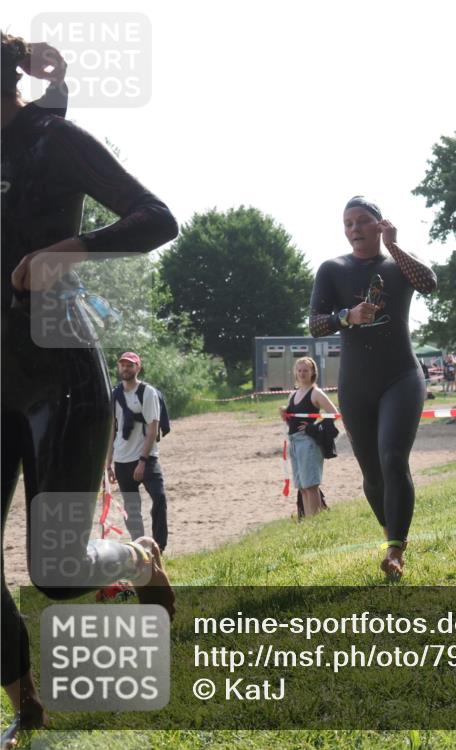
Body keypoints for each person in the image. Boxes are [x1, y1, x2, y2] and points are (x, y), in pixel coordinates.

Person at [2, 33, 177, 747]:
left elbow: (155, 218)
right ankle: (25, 704)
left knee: (58, 573)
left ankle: (137, 558)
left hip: (60, 377)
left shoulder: (57, 139)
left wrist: (65, 252)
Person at [309, 196, 437, 580]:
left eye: (362, 221)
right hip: (356, 384)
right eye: (348, 223)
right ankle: (390, 534)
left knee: (393, 457)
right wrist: (346, 316)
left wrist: (395, 245)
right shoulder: (332, 269)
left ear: (379, 225)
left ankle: (395, 549)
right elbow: (315, 324)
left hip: (401, 376)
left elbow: (429, 284)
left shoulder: (397, 265)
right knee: (372, 475)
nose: (354, 229)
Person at [106, 352, 170, 550]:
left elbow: (153, 428)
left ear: (138, 368)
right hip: (122, 459)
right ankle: (140, 548)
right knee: (132, 509)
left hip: (147, 458)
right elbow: (112, 429)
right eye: (123, 365)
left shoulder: (147, 392)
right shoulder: (115, 394)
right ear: (119, 368)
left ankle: (159, 548)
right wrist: (108, 464)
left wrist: (143, 461)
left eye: (130, 365)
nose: (126, 368)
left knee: (159, 499)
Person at [279, 357, 340, 518]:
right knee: (302, 486)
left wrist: (314, 427)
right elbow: (291, 419)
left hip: (309, 443)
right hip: (294, 442)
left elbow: (334, 413)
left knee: (311, 485)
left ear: (313, 372)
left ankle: (316, 521)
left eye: (306, 370)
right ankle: (308, 521)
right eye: (299, 370)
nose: (302, 373)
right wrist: (284, 413)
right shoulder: (293, 394)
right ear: (295, 372)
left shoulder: (316, 393)